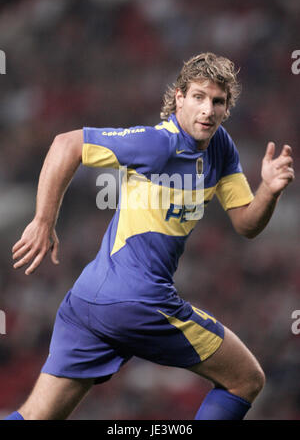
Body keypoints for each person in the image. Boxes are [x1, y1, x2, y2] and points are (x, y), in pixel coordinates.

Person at [5, 53, 294, 421]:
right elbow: (66, 144)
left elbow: (245, 224)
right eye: (198, 97)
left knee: (36, 417)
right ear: (179, 98)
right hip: (136, 301)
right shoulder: (158, 143)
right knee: (245, 379)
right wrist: (43, 221)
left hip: (88, 302)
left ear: (227, 107)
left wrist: (268, 190)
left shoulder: (221, 148)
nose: (207, 109)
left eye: (217, 101)